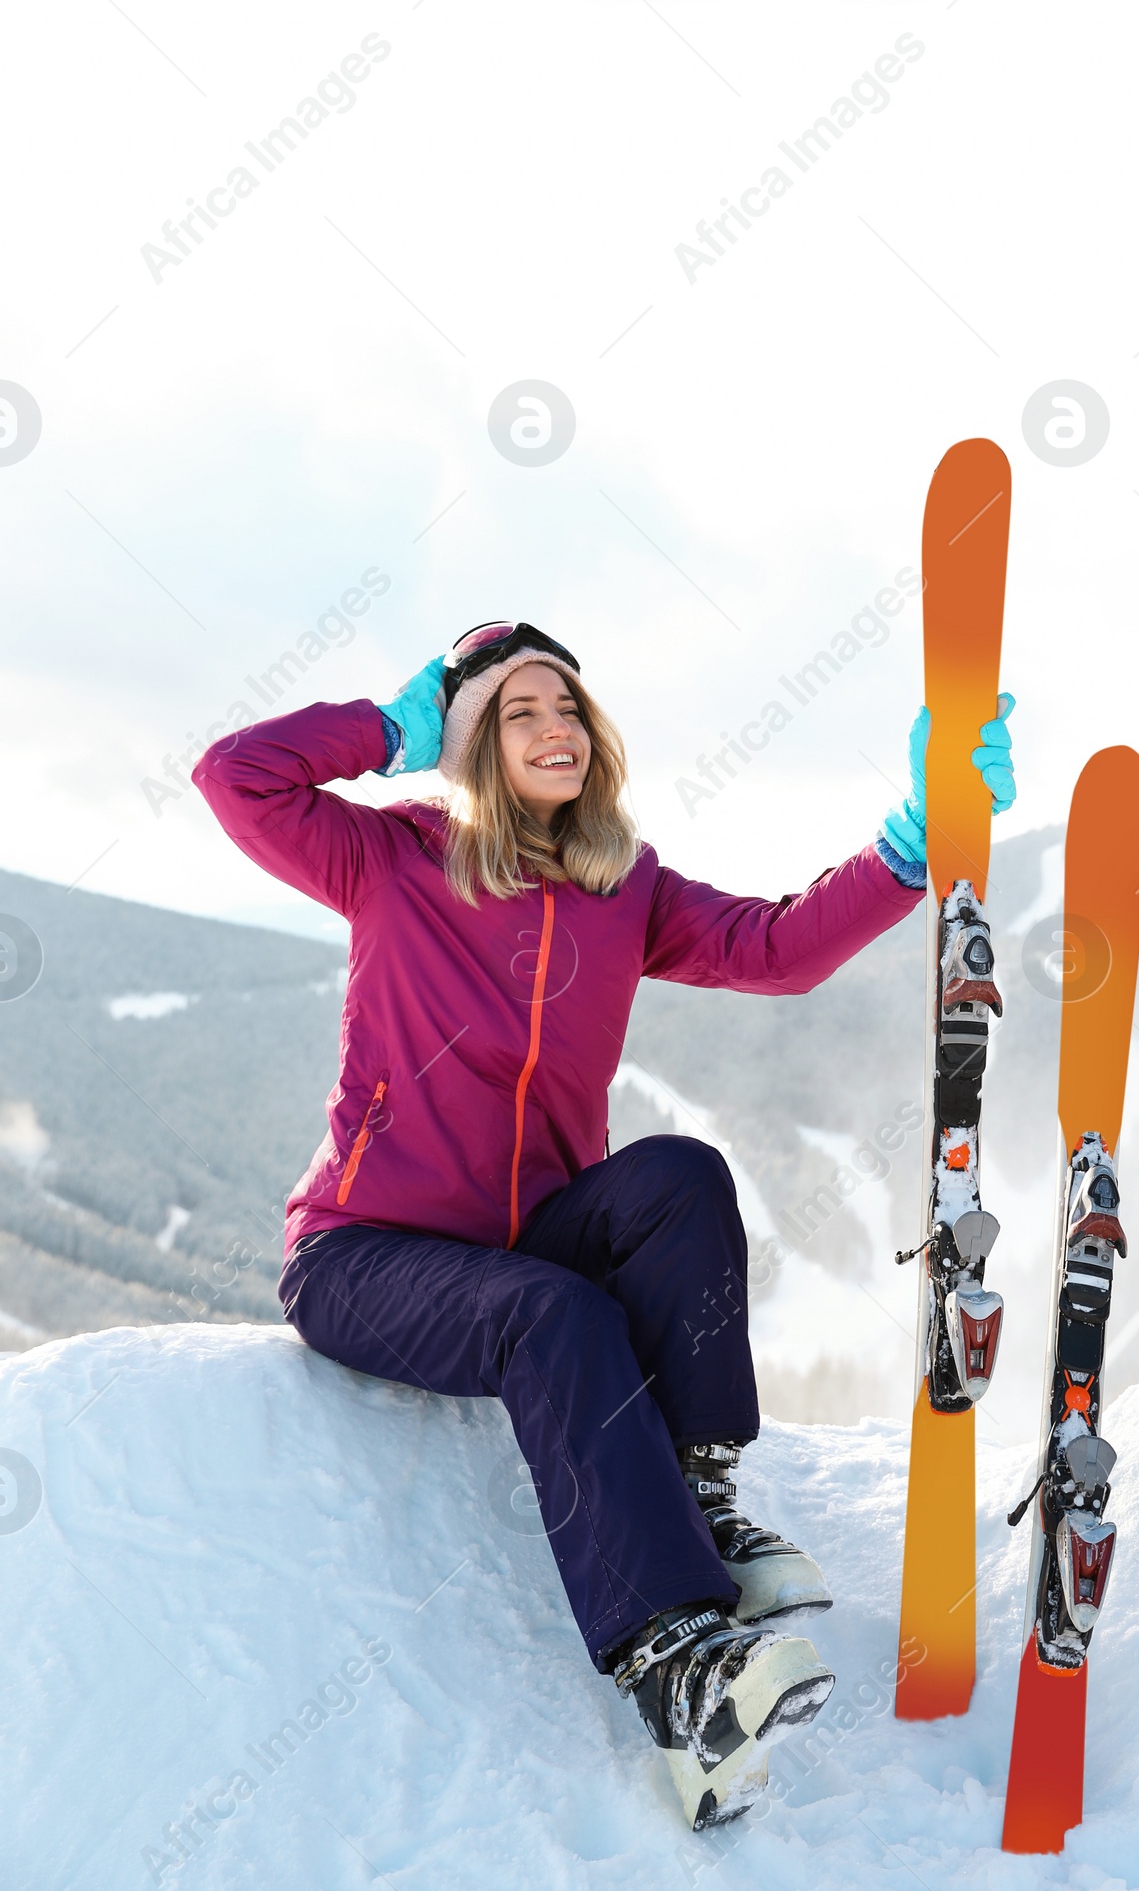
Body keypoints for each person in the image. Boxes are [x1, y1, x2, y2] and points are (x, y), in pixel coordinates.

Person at [194, 619, 1016, 1830]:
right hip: (365, 1253)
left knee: (678, 1174)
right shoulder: (391, 857)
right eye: (518, 711)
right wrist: (382, 730)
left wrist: (913, 847)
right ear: (469, 744)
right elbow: (233, 777)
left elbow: (774, 950)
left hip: (524, 1238)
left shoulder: (618, 886)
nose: (554, 728)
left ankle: (699, 1489)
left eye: (568, 707)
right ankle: (675, 1663)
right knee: (554, 1312)